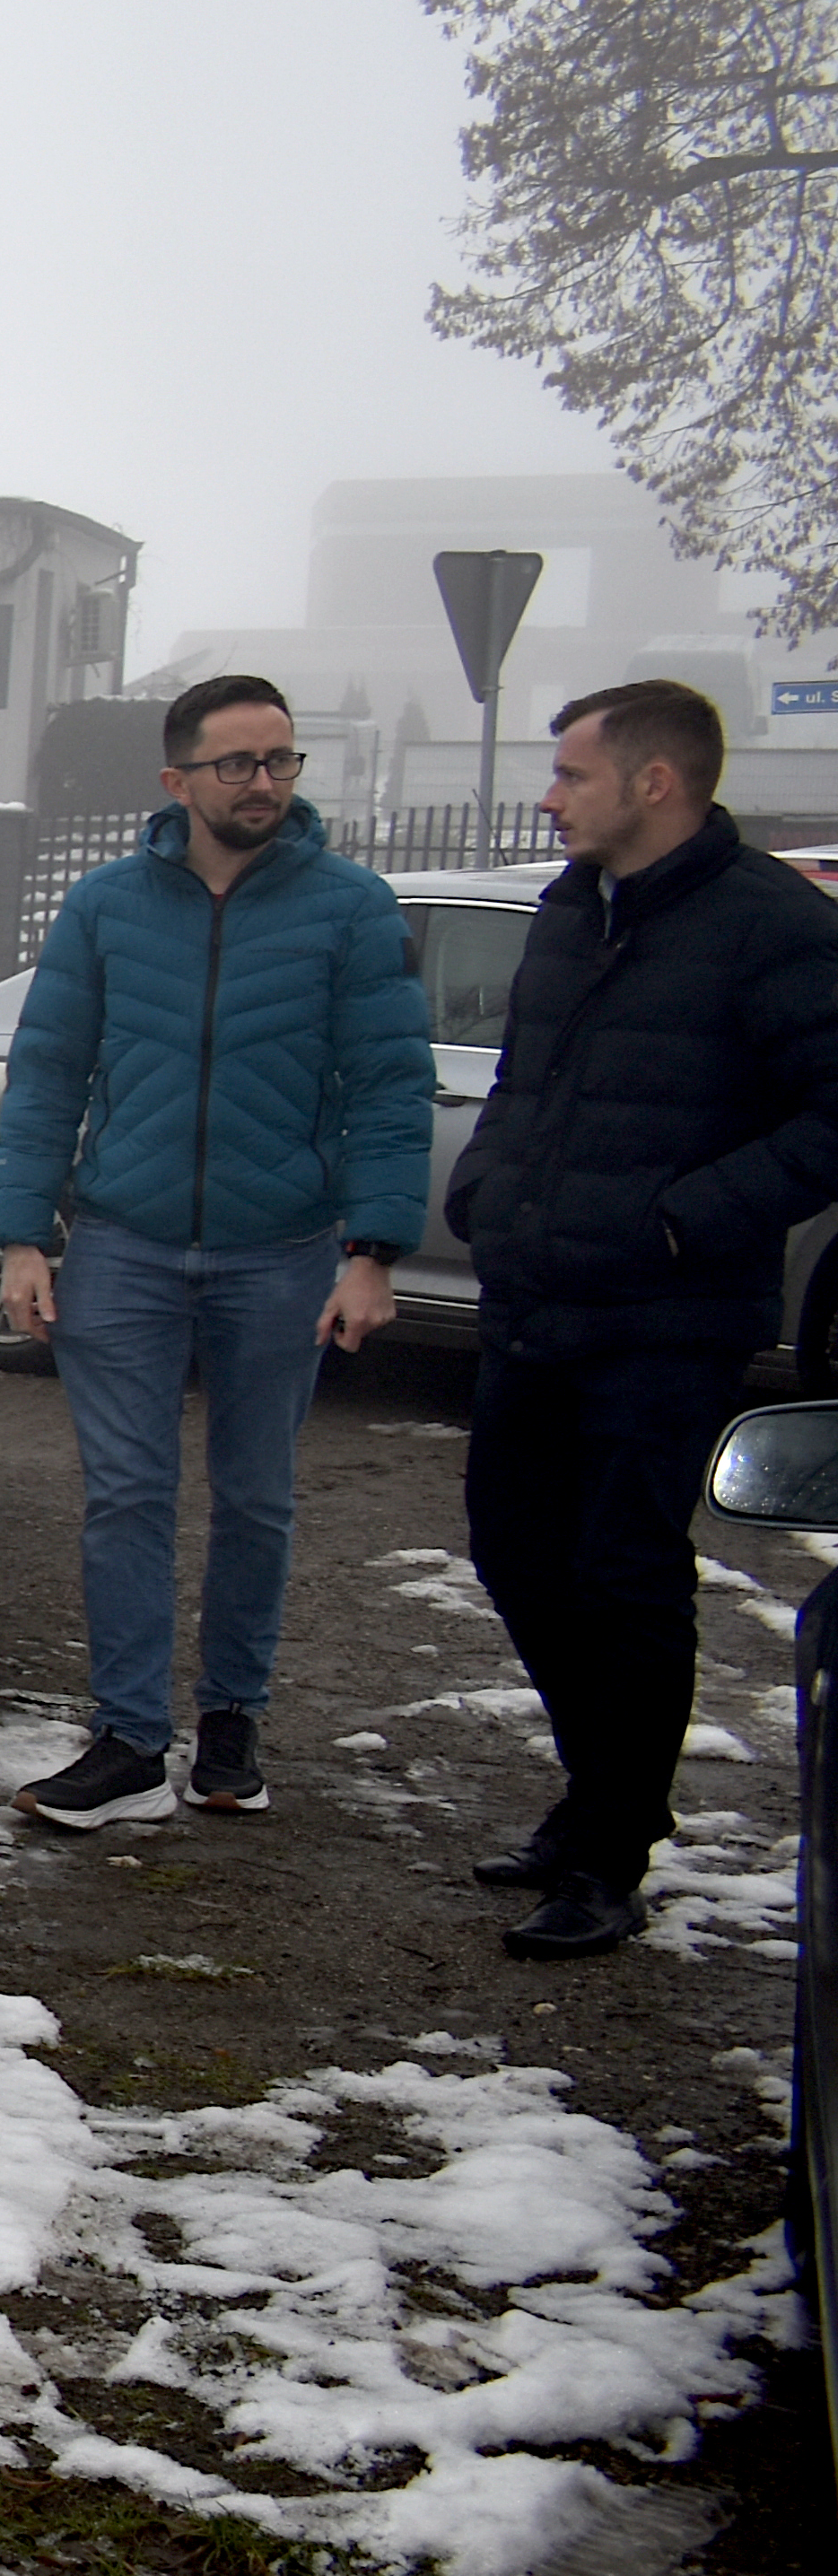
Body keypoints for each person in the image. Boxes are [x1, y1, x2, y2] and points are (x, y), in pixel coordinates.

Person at [0, 673, 424, 1829]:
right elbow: (49, 1074)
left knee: (256, 1496)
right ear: (178, 781)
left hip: (280, 1248)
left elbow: (388, 1086)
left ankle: (230, 1723)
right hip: (123, 1246)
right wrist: (25, 1236)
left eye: (280, 760)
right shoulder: (107, 906)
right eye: (238, 763)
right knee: (125, 1494)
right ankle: (127, 1738)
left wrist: (372, 1250)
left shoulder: (351, 909)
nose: (264, 782)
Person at [443, 678, 838, 1962]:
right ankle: (596, 1791)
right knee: (515, 1550)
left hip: (668, 1314)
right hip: (538, 1297)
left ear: (655, 782)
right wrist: (486, 1189)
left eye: (571, 776)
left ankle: (614, 1852)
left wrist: (683, 1216)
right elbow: (525, 1077)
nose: (549, 799)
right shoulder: (572, 912)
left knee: (624, 1575)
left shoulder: (771, 926)